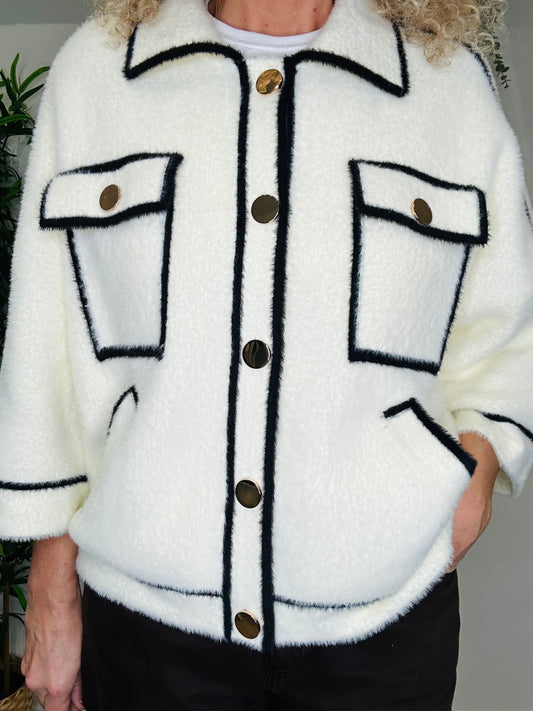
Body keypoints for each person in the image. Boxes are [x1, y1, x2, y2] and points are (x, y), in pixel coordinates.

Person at [0, 0, 532, 709]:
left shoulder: (445, 84)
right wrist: (50, 586)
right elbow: (47, 349)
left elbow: (507, 328)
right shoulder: (99, 73)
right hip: (145, 632)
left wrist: (478, 469)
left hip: (385, 628)